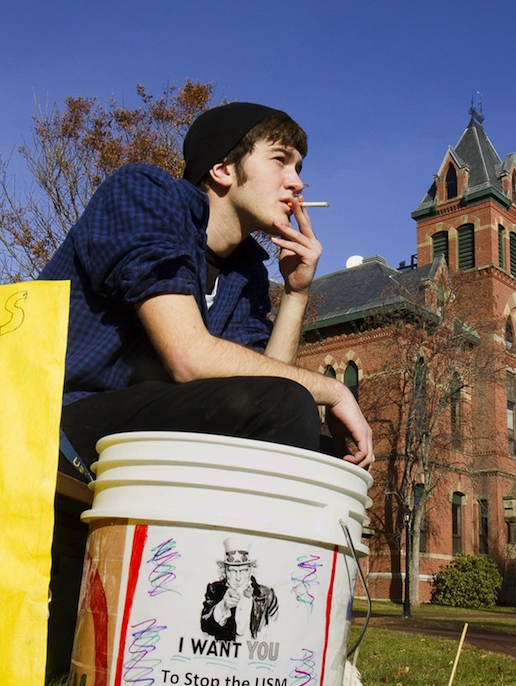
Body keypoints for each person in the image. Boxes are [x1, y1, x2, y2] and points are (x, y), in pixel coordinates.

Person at [40, 102, 373, 470]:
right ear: (223, 168)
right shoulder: (145, 194)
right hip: (56, 420)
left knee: (332, 459)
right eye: (280, 160)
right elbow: (188, 357)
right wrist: (334, 391)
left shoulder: (247, 273)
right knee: (282, 407)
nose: (296, 182)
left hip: (145, 427)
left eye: (298, 168)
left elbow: (265, 381)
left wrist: (296, 292)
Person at [201, 539, 278, 641]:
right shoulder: (215, 590)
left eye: (243, 571)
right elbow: (206, 626)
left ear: (251, 570)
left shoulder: (267, 595)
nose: (238, 578)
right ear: (224, 572)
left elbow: (276, 630)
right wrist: (223, 606)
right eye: (233, 571)